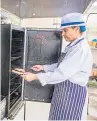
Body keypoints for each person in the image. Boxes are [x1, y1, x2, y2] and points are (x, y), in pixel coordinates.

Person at [12, 13, 93, 120]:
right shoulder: (74, 46)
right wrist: (44, 67)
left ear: (76, 29)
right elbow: (64, 65)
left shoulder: (80, 49)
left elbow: (61, 73)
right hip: (64, 93)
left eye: (65, 30)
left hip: (71, 95)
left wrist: (35, 77)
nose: (62, 34)